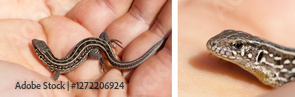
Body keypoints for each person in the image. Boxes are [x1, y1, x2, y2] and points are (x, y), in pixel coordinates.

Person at [0, 0, 171, 96]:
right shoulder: (55, 64)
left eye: (38, 48)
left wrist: (53, 80)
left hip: (94, 46)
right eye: (38, 47)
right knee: (99, 44)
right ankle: (108, 48)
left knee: (97, 52)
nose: (36, 47)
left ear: (42, 54)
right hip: (96, 42)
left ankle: (105, 54)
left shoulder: (55, 66)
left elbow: (57, 73)